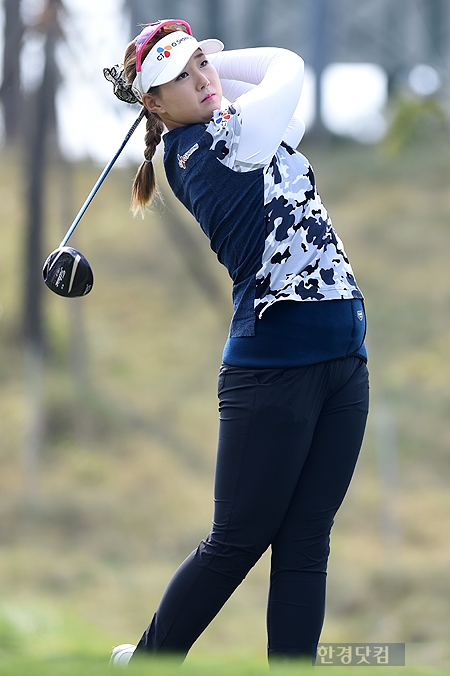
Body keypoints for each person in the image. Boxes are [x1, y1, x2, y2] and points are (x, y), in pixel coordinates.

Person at [110, 18, 369, 667]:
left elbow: (278, 100)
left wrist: (196, 59)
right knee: (238, 540)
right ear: (154, 103)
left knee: (308, 541)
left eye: (203, 66)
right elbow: (286, 67)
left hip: (343, 359)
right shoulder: (207, 144)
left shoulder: (241, 128)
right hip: (271, 373)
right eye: (181, 77)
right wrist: (219, 58)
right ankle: (148, 660)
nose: (203, 81)